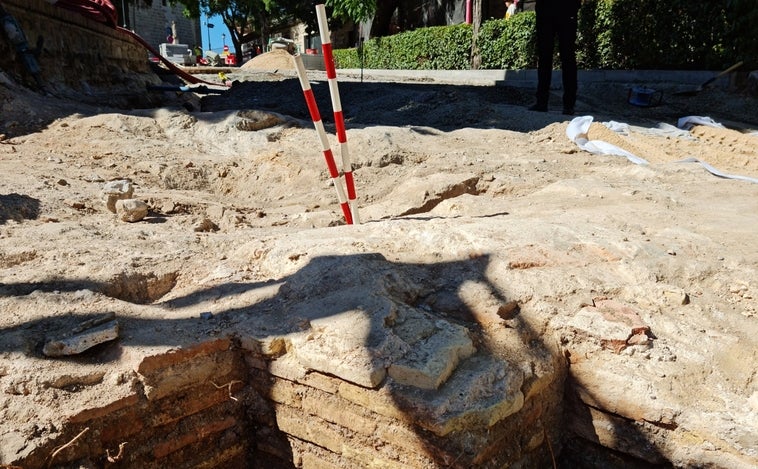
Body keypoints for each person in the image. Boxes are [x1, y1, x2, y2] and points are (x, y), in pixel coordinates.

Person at [529, 0, 581, 115]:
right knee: (560, 57)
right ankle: (566, 104)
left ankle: (560, 103)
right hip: (559, 10)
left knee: (556, 57)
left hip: (559, 9)